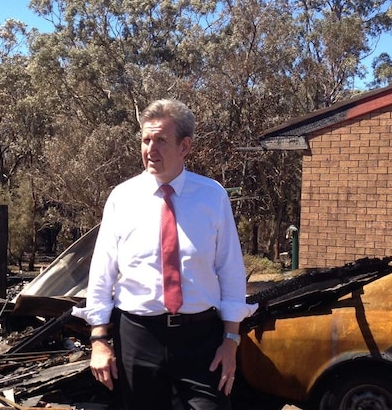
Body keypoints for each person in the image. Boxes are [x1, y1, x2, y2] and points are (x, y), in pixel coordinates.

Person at [72, 98, 258, 410]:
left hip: (201, 340)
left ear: (185, 146)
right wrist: (99, 340)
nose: (150, 149)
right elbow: (102, 273)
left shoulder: (212, 196)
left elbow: (230, 270)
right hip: (138, 336)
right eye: (145, 140)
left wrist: (231, 341)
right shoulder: (122, 198)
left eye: (161, 140)